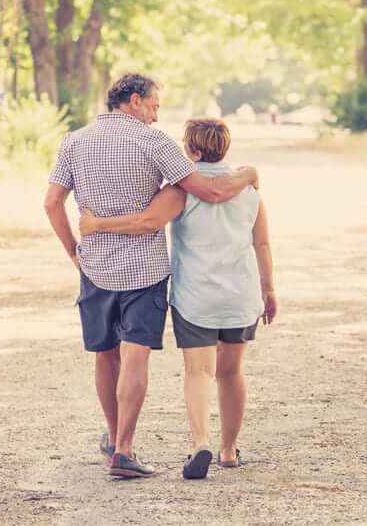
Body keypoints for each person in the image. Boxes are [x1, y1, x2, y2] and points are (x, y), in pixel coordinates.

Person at [43, 74, 259, 479]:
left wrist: (75, 251)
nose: (158, 117)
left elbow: (52, 202)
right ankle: (123, 450)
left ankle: (114, 439)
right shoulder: (154, 143)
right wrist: (248, 175)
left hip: (95, 268)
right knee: (134, 357)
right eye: (156, 107)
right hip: (144, 270)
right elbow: (209, 190)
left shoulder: (74, 140)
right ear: (137, 101)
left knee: (104, 356)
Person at [79, 118, 276, 480]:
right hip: (240, 296)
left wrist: (97, 225)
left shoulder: (182, 190)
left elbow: (147, 222)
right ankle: (229, 451)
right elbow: (261, 243)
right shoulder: (249, 190)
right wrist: (269, 289)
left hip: (196, 298)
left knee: (199, 372)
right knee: (231, 372)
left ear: (193, 150)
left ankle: (201, 442)